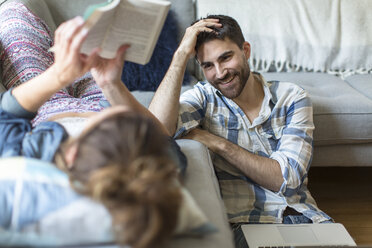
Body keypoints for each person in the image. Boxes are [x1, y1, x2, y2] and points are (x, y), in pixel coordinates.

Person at [0, 3, 186, 248]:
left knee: (13, 13)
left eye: (107, 121)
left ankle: (62, 55)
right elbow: (164, 140)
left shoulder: (33, 154)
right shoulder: (153, 173)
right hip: (100, 98)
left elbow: (8, 112)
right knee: (88, 59)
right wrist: (111, 84)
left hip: (47, 107)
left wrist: (58, 75)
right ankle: (69, 56)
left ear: (72, 152)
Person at [148, 14, 332, 248]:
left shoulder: (292, 97)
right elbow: (155, 130)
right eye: (208, 66)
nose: (220, 72)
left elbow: (287, 180)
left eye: (226, 58)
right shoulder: (204, 97)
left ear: (245, 50)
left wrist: (217, 143)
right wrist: (180, 57)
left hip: (303, 218)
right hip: (244, 226)